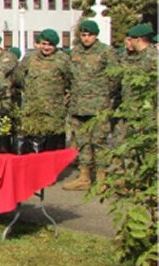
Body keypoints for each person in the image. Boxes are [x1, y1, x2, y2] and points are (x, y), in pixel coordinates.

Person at [62, 20, 116, 190]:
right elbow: (69, 76)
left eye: (89, 35)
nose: (86, 38)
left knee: (99, 142)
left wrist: (104, 93)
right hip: (78, 105)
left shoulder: (106, 52)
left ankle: (102, 179)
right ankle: (84, 177)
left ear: (95, 35)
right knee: (82, 141)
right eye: (83, 35)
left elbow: (114, 77)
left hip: (98, 105)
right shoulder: (75, 52)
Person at [14, 29, 71, 149]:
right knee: (32, 141)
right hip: (32, 108)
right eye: (43, 44)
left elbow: (70, 80)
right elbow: (19, 78)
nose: (46, 47)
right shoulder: (30, 58)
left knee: (52, 142)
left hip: (53, 110)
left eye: (50, 45)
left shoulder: (63, 60)